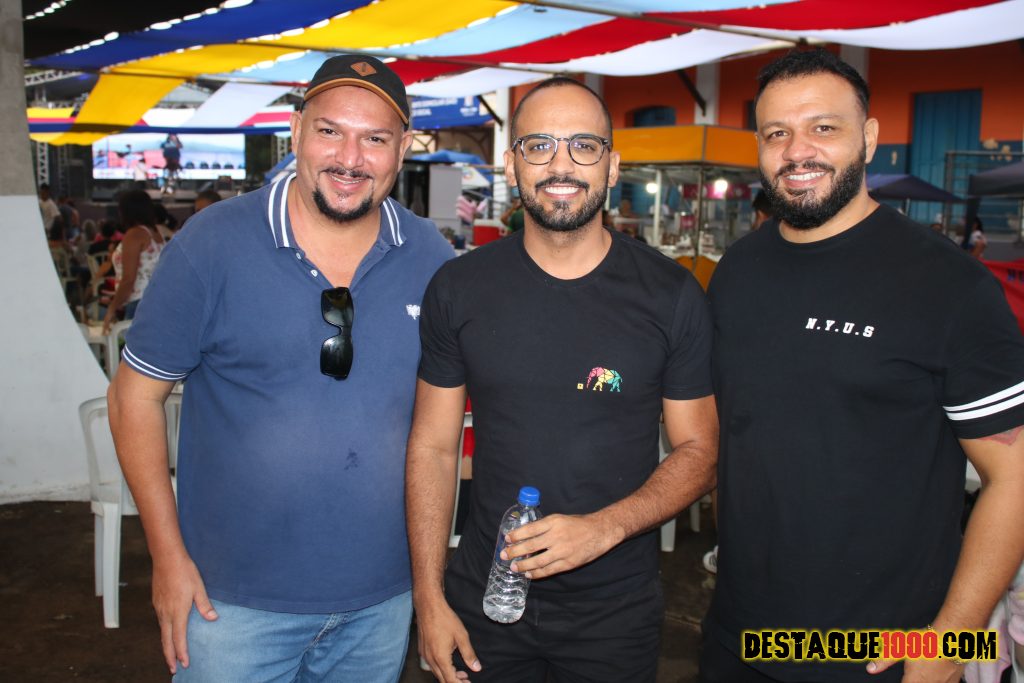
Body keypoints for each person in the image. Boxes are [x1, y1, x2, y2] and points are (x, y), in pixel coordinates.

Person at [106, 54, 453, 681]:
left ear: (402, 150)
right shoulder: (212, 243)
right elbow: (134, 396)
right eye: (330, 131)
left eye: (375, 139)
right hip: (228, 602)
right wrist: (166, 554)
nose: (350, 158)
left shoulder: (429, 255)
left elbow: (442, 426)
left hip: (381, 602)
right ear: (296, 132)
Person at [702, 48, 1024, 683]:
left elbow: (1014, 476)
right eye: (776, 133)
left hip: (880, 650)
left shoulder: (948, 284)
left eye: (824, 127)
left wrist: (953, 641)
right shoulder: (737, 270)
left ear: (870, 138)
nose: (798, 151)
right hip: (739, 634)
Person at [407, 77, 718, 683]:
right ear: (511, 163)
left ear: (612, 165)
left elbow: (701, 451)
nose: (561, 164)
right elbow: (433, 448)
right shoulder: (459, 288)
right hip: (484, 598)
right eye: (539, 145)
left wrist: (605, 528)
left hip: (615, 613)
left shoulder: (671, 295)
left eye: (584, 145)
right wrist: (429, 595)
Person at [101, 189, 165, 332]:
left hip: (138, 304)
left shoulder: (134, 235)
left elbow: (129, 279)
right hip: (157, 301)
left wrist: (112, 308)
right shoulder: (156, 234)